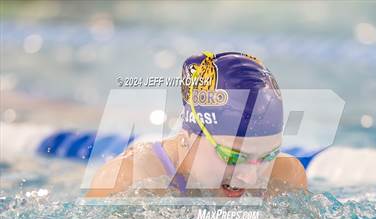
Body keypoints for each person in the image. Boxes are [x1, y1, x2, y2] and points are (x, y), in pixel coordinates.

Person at [87, 51, 307, 199]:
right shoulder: (128, 181)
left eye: (267, 156)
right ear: (187, 137)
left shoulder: (284, 178)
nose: (250, 177)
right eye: (232, 156)